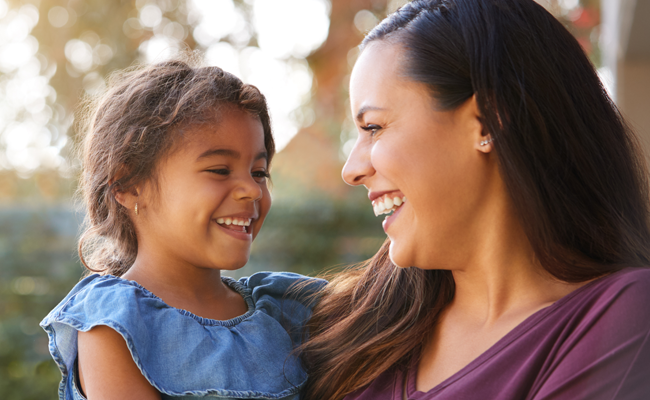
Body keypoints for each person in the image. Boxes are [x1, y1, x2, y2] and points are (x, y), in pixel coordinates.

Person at [300, 0, 650, 399]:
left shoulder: (620, 317)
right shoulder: (346, 321)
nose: (352, 169)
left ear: (486, 122)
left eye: (374, 127)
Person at [40, 58, 322, 400]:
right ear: (129, 186)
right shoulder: (114, 324)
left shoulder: (289, 309)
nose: (251, 189)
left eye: (258, 172)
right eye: (220, 170)